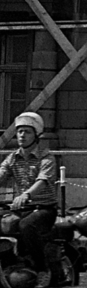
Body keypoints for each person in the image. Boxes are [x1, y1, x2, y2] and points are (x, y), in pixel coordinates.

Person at [0, 111, 59, 272]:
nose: (22, 135)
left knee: (26, 225)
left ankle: (42, 269)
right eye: (20, 131)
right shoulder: (13, 158)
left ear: (36, 135)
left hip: (44, 208)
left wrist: (26, 195)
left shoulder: (46, 157)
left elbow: (42, 180)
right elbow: (1, 174)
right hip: (21, 208)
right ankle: (10, 262)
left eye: (27, 131)